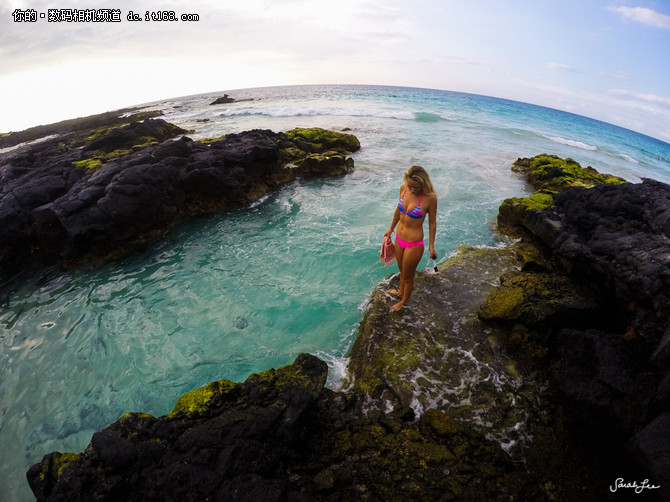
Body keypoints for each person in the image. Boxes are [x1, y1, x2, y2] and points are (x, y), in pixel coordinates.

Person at [384, 165, 438, 311]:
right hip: (399, 239)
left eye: (416, 187)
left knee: (408, 276)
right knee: (401, 270)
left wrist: (431, 246)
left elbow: (432, 222)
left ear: (423, 183)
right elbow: (398, 211)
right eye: (410, 186)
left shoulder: (430, 198)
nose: (412, 190)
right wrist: (391, 229)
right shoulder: (403, 188)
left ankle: (404, 302)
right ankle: (401, 291)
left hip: (413, 244)